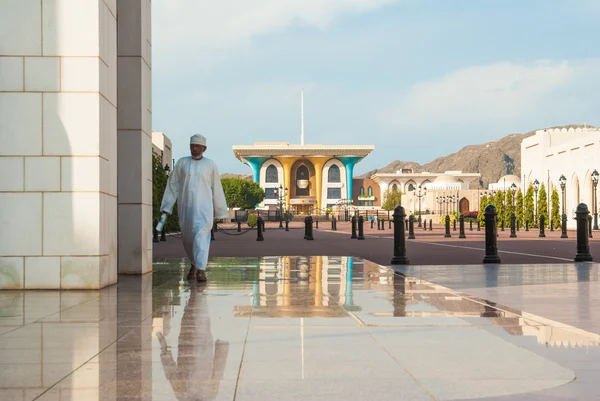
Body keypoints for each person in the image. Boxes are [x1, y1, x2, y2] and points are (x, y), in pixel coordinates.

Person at [160, 134, 228, 282]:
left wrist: (220, 211)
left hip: (204, 209)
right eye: (192, 146)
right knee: (189, 239)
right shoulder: (182, 163)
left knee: (201, 238)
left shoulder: (210, 165)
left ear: (204, 148)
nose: (194, 148)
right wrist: (167, 207)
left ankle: (201, 270)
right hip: (186, 209)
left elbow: (217, 188)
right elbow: (173, 186)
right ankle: (194, 265)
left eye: (197, 146)